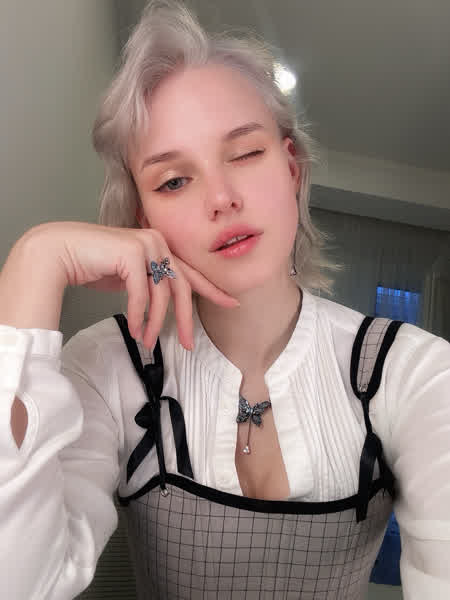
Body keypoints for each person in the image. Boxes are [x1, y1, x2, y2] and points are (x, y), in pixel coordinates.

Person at [1, 1, 449, 598]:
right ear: (142, 219)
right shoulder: (106, 366)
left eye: (244, 153)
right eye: (174, 181)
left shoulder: (411, 371)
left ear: (292, 169)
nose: (221, 198)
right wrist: (34, 261)